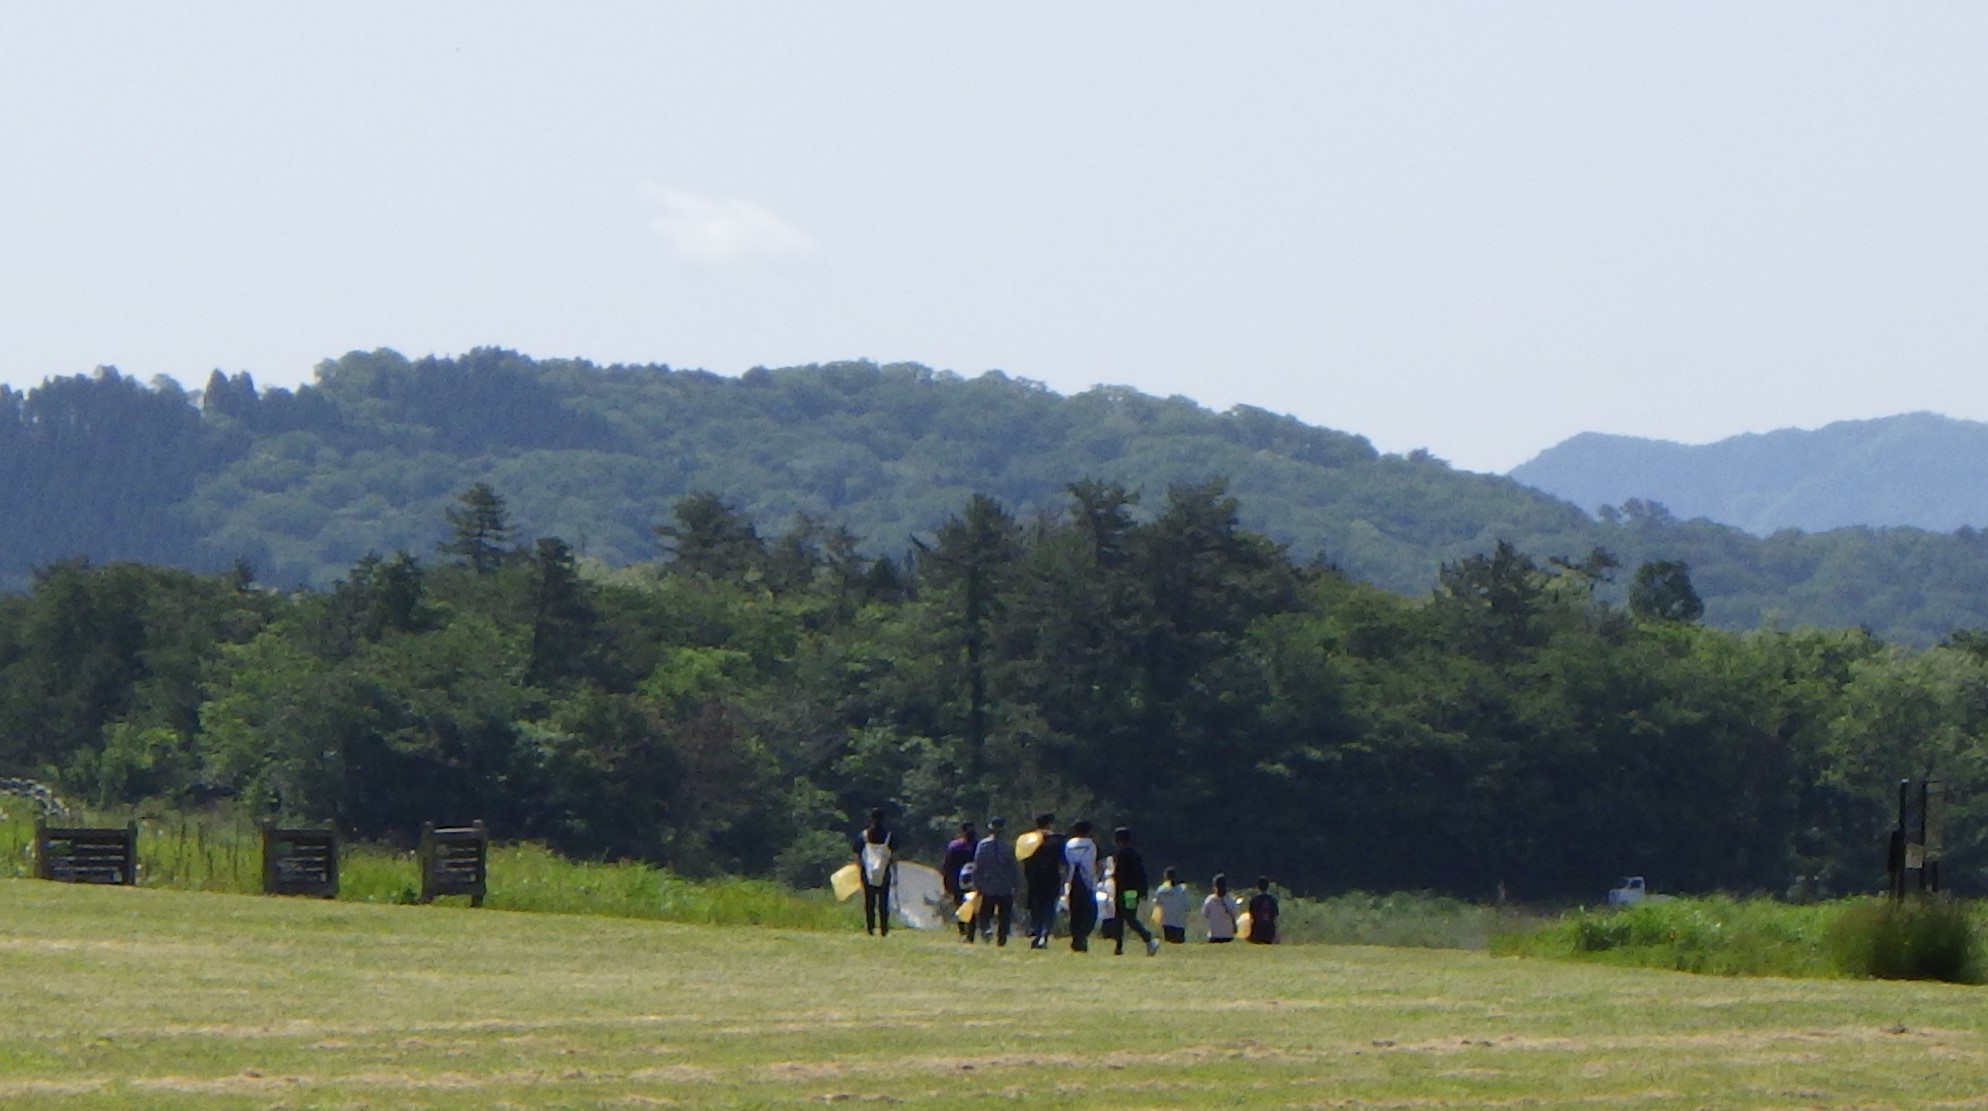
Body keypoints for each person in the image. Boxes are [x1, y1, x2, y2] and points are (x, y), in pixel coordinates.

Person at [970, 816, 1019, 946]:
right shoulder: (1008, 847)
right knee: (1004, 916)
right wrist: (1014, 884)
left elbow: (977, 866)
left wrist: (976, 883)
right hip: (1004, 886)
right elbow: (1013, 867)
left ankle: (986, 930)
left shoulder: (983, 845)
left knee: (985, 913)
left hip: (987, 885)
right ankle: (1002, 938)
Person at [1110, 827, 1159, 956]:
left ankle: (1149, 939)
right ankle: (1118, 947)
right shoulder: (1134, 854)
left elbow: (1119, 874)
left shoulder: (1121, 855)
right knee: (1120, 918)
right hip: (1131, 891)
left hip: (1125, 891)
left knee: (1128, 917)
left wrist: (1113, 875)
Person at [1022, 812, 1067, 950]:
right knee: (1049, 907)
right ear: (1050, 824)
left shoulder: (1029, 840)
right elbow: (1063, 861)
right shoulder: (1058, 840)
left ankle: (1036, 932)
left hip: (1034, 878)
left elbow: (1024, 859)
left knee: (1036, 907)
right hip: (1052, 877)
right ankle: (1044, 935)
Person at [852, 808, 897, 937]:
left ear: (871, 819)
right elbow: (894, 856)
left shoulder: (864, 836)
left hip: (867, 872)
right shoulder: (889, 836)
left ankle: (870, 928)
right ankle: (884, 928)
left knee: (869, 901)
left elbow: (857, 854)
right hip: (884, 872)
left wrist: (859, 868)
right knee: (883, 902)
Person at [1063, 820, 1100, 952]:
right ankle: (1083, 936)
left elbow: (1066, 865)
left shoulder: (1068, 845)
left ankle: (1076, 938)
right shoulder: (1091, 845)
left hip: (1073, 881)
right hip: (1087, 882)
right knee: (1090, 912)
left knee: (1075, 913)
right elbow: (1093, 864)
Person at [940, 821, 978, 941]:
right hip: (972, 881)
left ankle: (964, 932)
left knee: (961, 907)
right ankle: (968, 933)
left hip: (959, 881)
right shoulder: (978, 846)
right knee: (970, 907)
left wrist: (947, 881)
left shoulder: (955, 846)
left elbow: (947, 866)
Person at [1152, 866, 1191, 944]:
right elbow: (1187, 908)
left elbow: (1157, 906)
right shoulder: (1183, 890)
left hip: (1166, 924)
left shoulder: (1161, 890)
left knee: (1169, 943)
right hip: (1180, 925)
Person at [1202, 873, 1240, 943]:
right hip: (1221, 936)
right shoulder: (1230, 900)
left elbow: (1205, 915)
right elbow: (1235, 914)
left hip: (1222, 937)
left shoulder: (1211, 900)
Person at [1246, 875, 1280, 945]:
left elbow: (1251, 919)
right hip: (1269, 932)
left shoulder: (1254, 901)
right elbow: (1275, 919)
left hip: (1257, 931)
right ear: (1268, 887)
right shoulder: (1272, 901)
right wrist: (1276, 935)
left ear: (1258, 887)